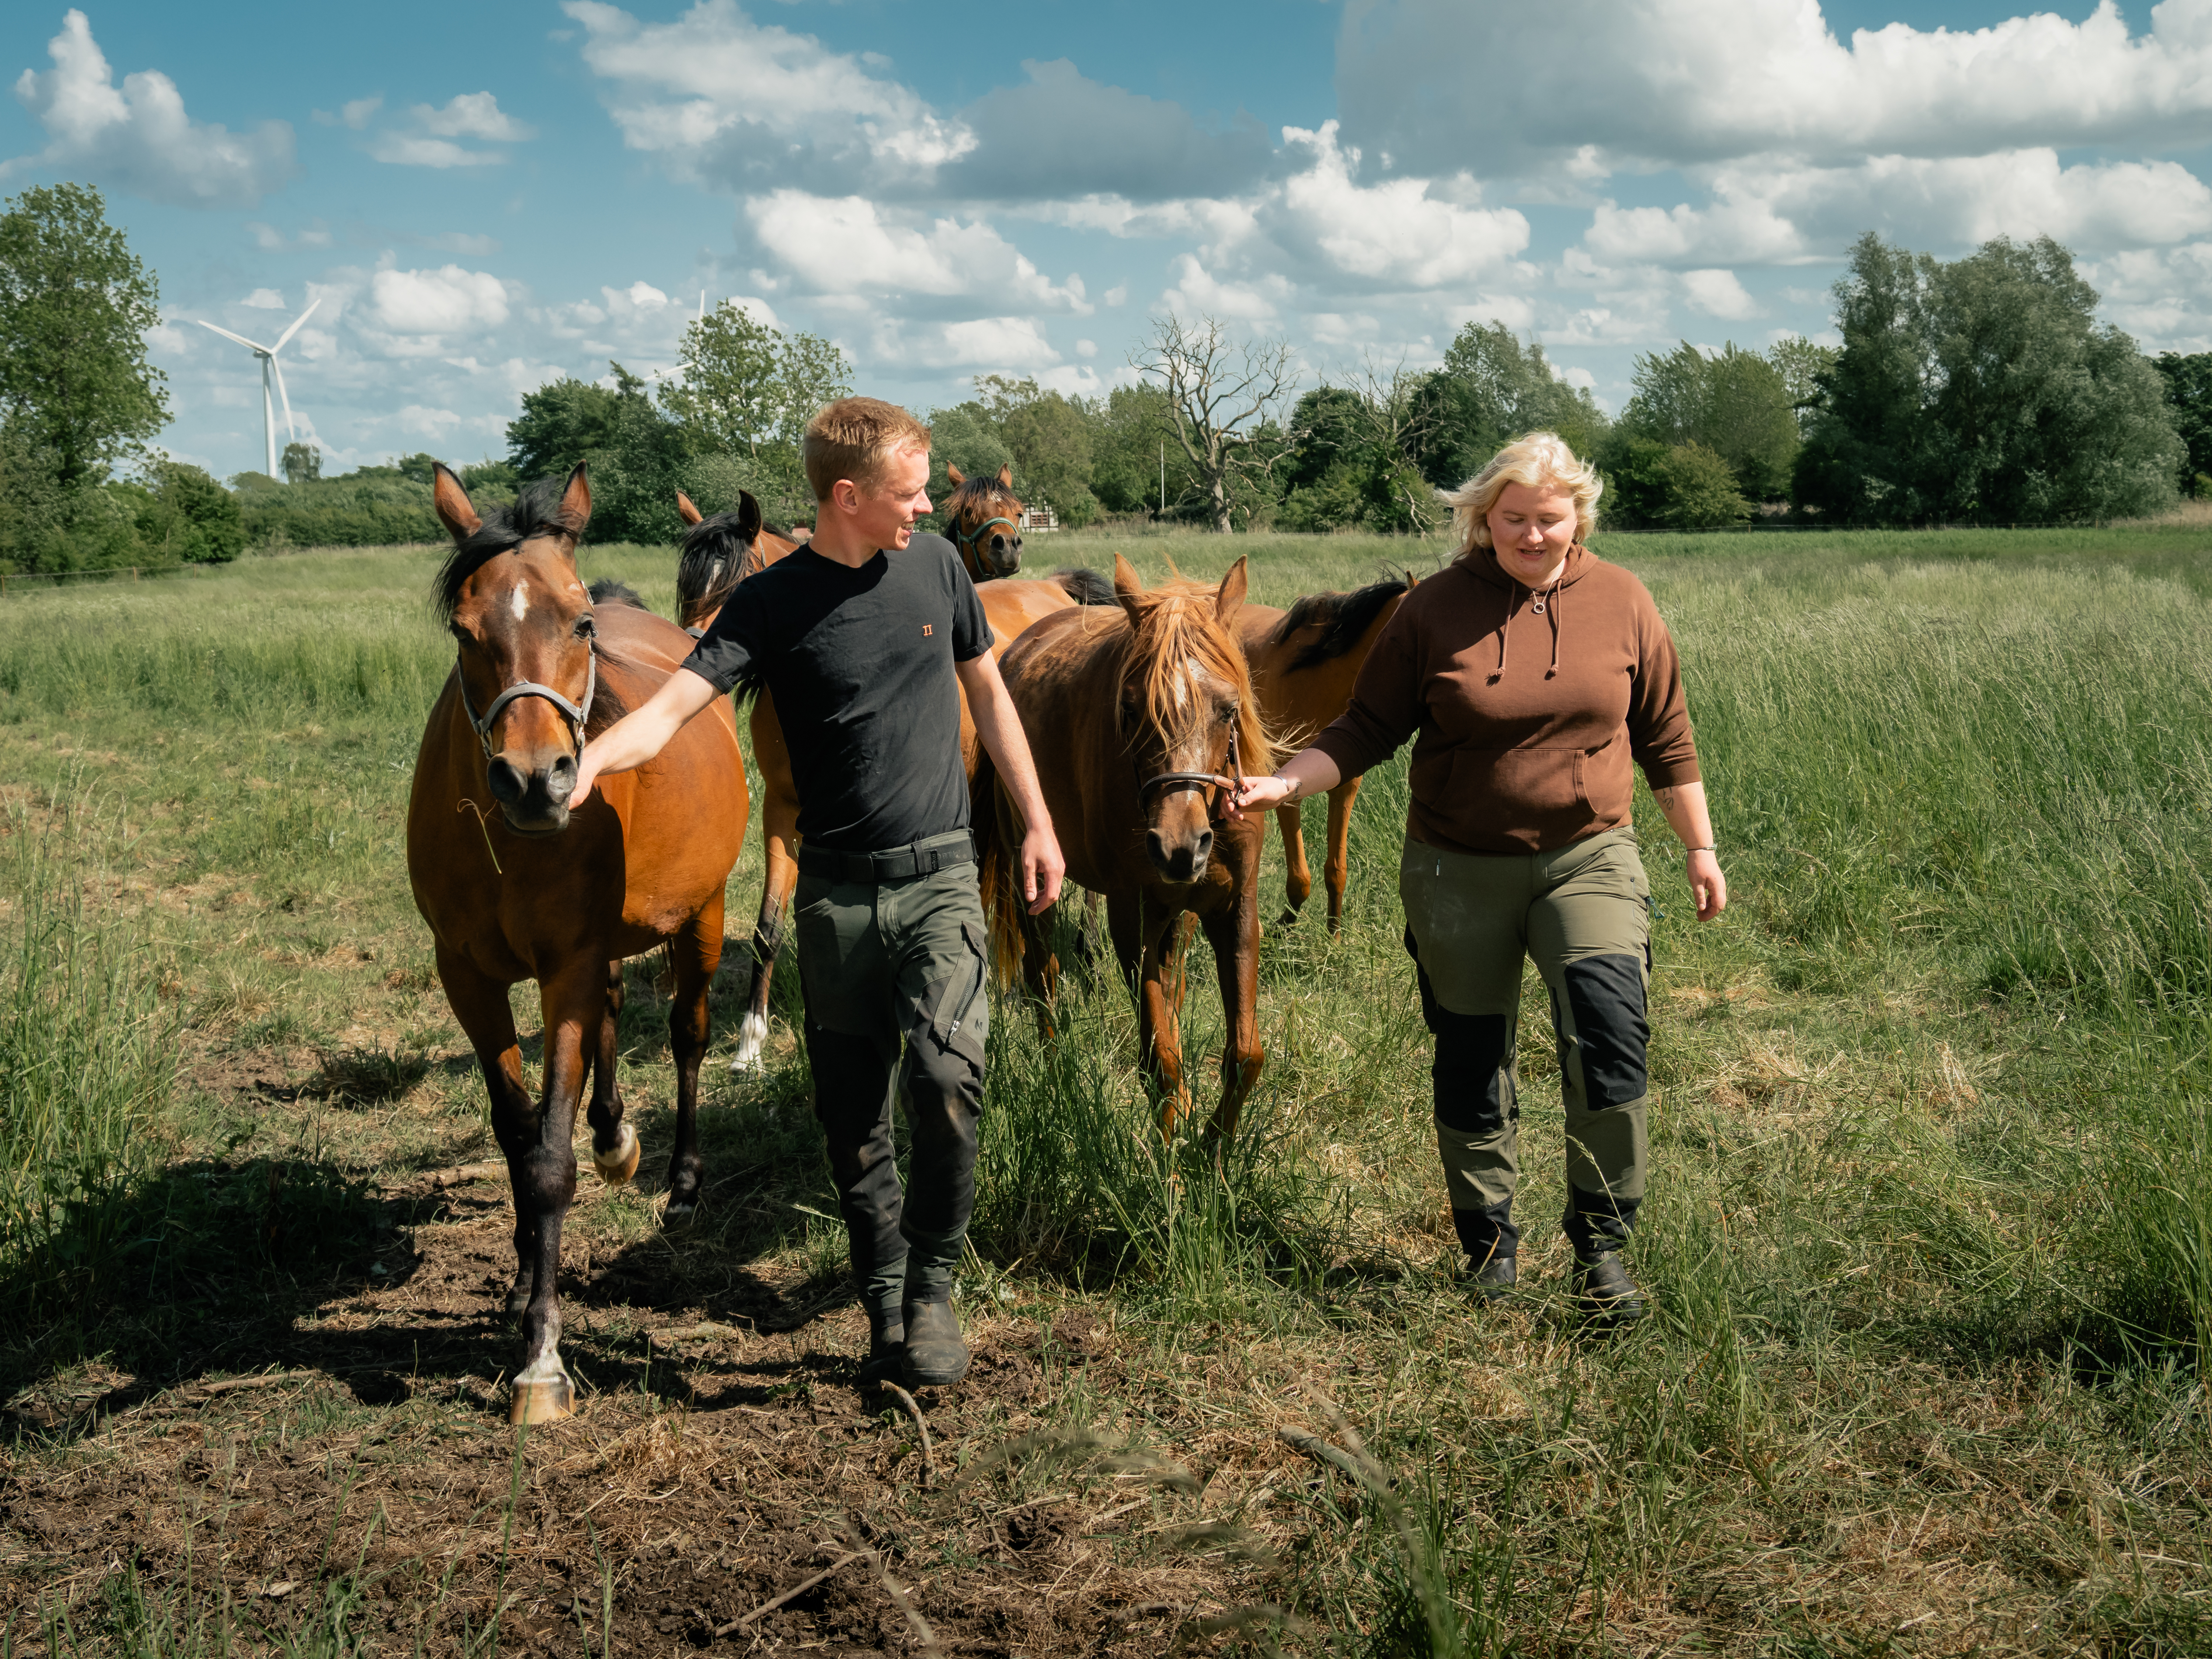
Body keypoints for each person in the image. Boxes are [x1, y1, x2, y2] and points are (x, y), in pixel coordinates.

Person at [573, 397, 1065, 1385]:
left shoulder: (939, 571)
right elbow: (673, 706)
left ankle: (932, 1286)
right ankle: (882, 1286)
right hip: (836, 897)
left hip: (940, 878)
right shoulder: (772, 602)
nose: (928, 506)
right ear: (848, 497)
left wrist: (1040, 819)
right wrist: (584, 764)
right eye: (910, 490)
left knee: (947, 1080)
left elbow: (990, 694)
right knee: (851, 1114)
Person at [1232, 432, 1725, 1319]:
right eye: (1513, 520)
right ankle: (1489, 1244)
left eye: (1549, 518)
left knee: (1610, 1038)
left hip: (1591, 854)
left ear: (1579, 515)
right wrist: (1286, 777)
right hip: (1458, 867)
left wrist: (1700, 848)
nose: (1533, 537)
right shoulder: (1434, 613)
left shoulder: (1623, 600)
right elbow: (1365, 729)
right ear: (1481, 520)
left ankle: (1602, 1247)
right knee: (1473, 1055)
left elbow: (1666, 735)